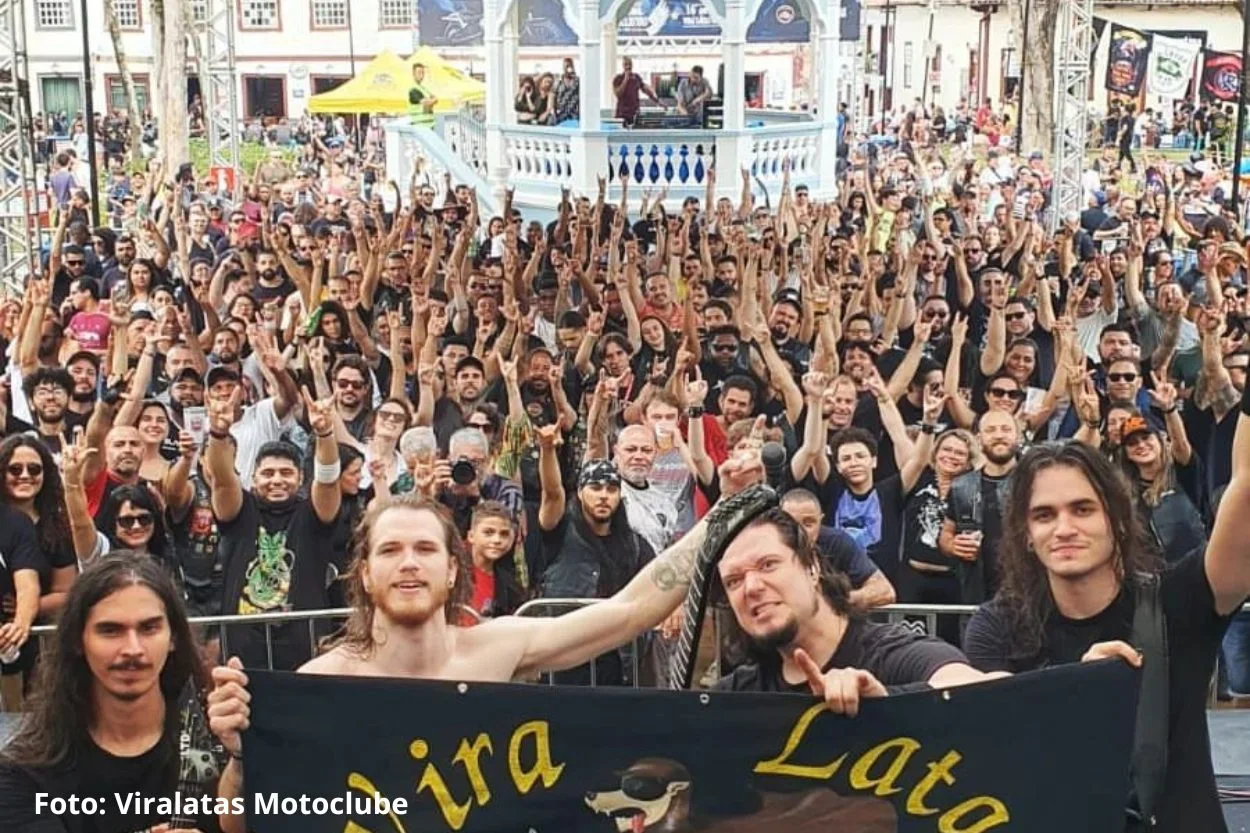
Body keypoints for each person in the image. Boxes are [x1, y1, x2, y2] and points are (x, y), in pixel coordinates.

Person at [206, 477, 772, 833]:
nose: (409, 563)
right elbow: (240, 825)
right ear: (365, 573)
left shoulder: (497, 647)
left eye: (426, 549)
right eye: (391, 550)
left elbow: (629, 611)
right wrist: (240, 759)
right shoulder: (322, 682)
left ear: (453, 568)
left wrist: (723, 514)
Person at [963, 438, 1250, 833]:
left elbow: (1247, 490)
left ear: (1115, 518)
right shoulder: (997, 626)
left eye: (1082, 509)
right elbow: (996, 741)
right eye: (1044, 515)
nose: (1064, 529)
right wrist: (1080, 693)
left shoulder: (1178, 602)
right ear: (1026, 534)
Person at [0, 552, 223, 833]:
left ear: (173, 637)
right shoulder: (26, 769)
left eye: (149, 628)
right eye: (110, 631)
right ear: (78, 641)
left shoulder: (220, 749)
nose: (133, 649)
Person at [612, 57, 659, 128]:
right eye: (626, 64)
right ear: (623, 66)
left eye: (630, 64)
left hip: (634, 114)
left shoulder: (636, 77)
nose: (628, 66)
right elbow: (618, 94)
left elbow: (645, 90)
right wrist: (625, 79)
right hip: (622, 114)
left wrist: (657, 101)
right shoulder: (618, 79)